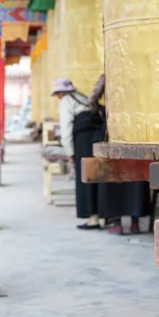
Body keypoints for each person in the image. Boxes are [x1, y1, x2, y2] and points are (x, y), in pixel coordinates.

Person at [88, 74, 151, 235]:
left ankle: (116, 221)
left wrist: (100, 111)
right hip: (137, 128)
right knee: (137, 174)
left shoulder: (108, 75)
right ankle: (135, 221)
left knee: (113, 174)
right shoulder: (139, 75)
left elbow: (92, 99)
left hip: (115, 129)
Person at [51, 78, 101, 230]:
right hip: (96, 136)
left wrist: (69, 152)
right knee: (97, 175)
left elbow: (65, 128)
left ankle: (93, 218)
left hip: (82, 140)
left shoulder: (66, 101)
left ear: (60, 93)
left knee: (85, 177)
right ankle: (102, 214)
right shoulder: (82, 97)